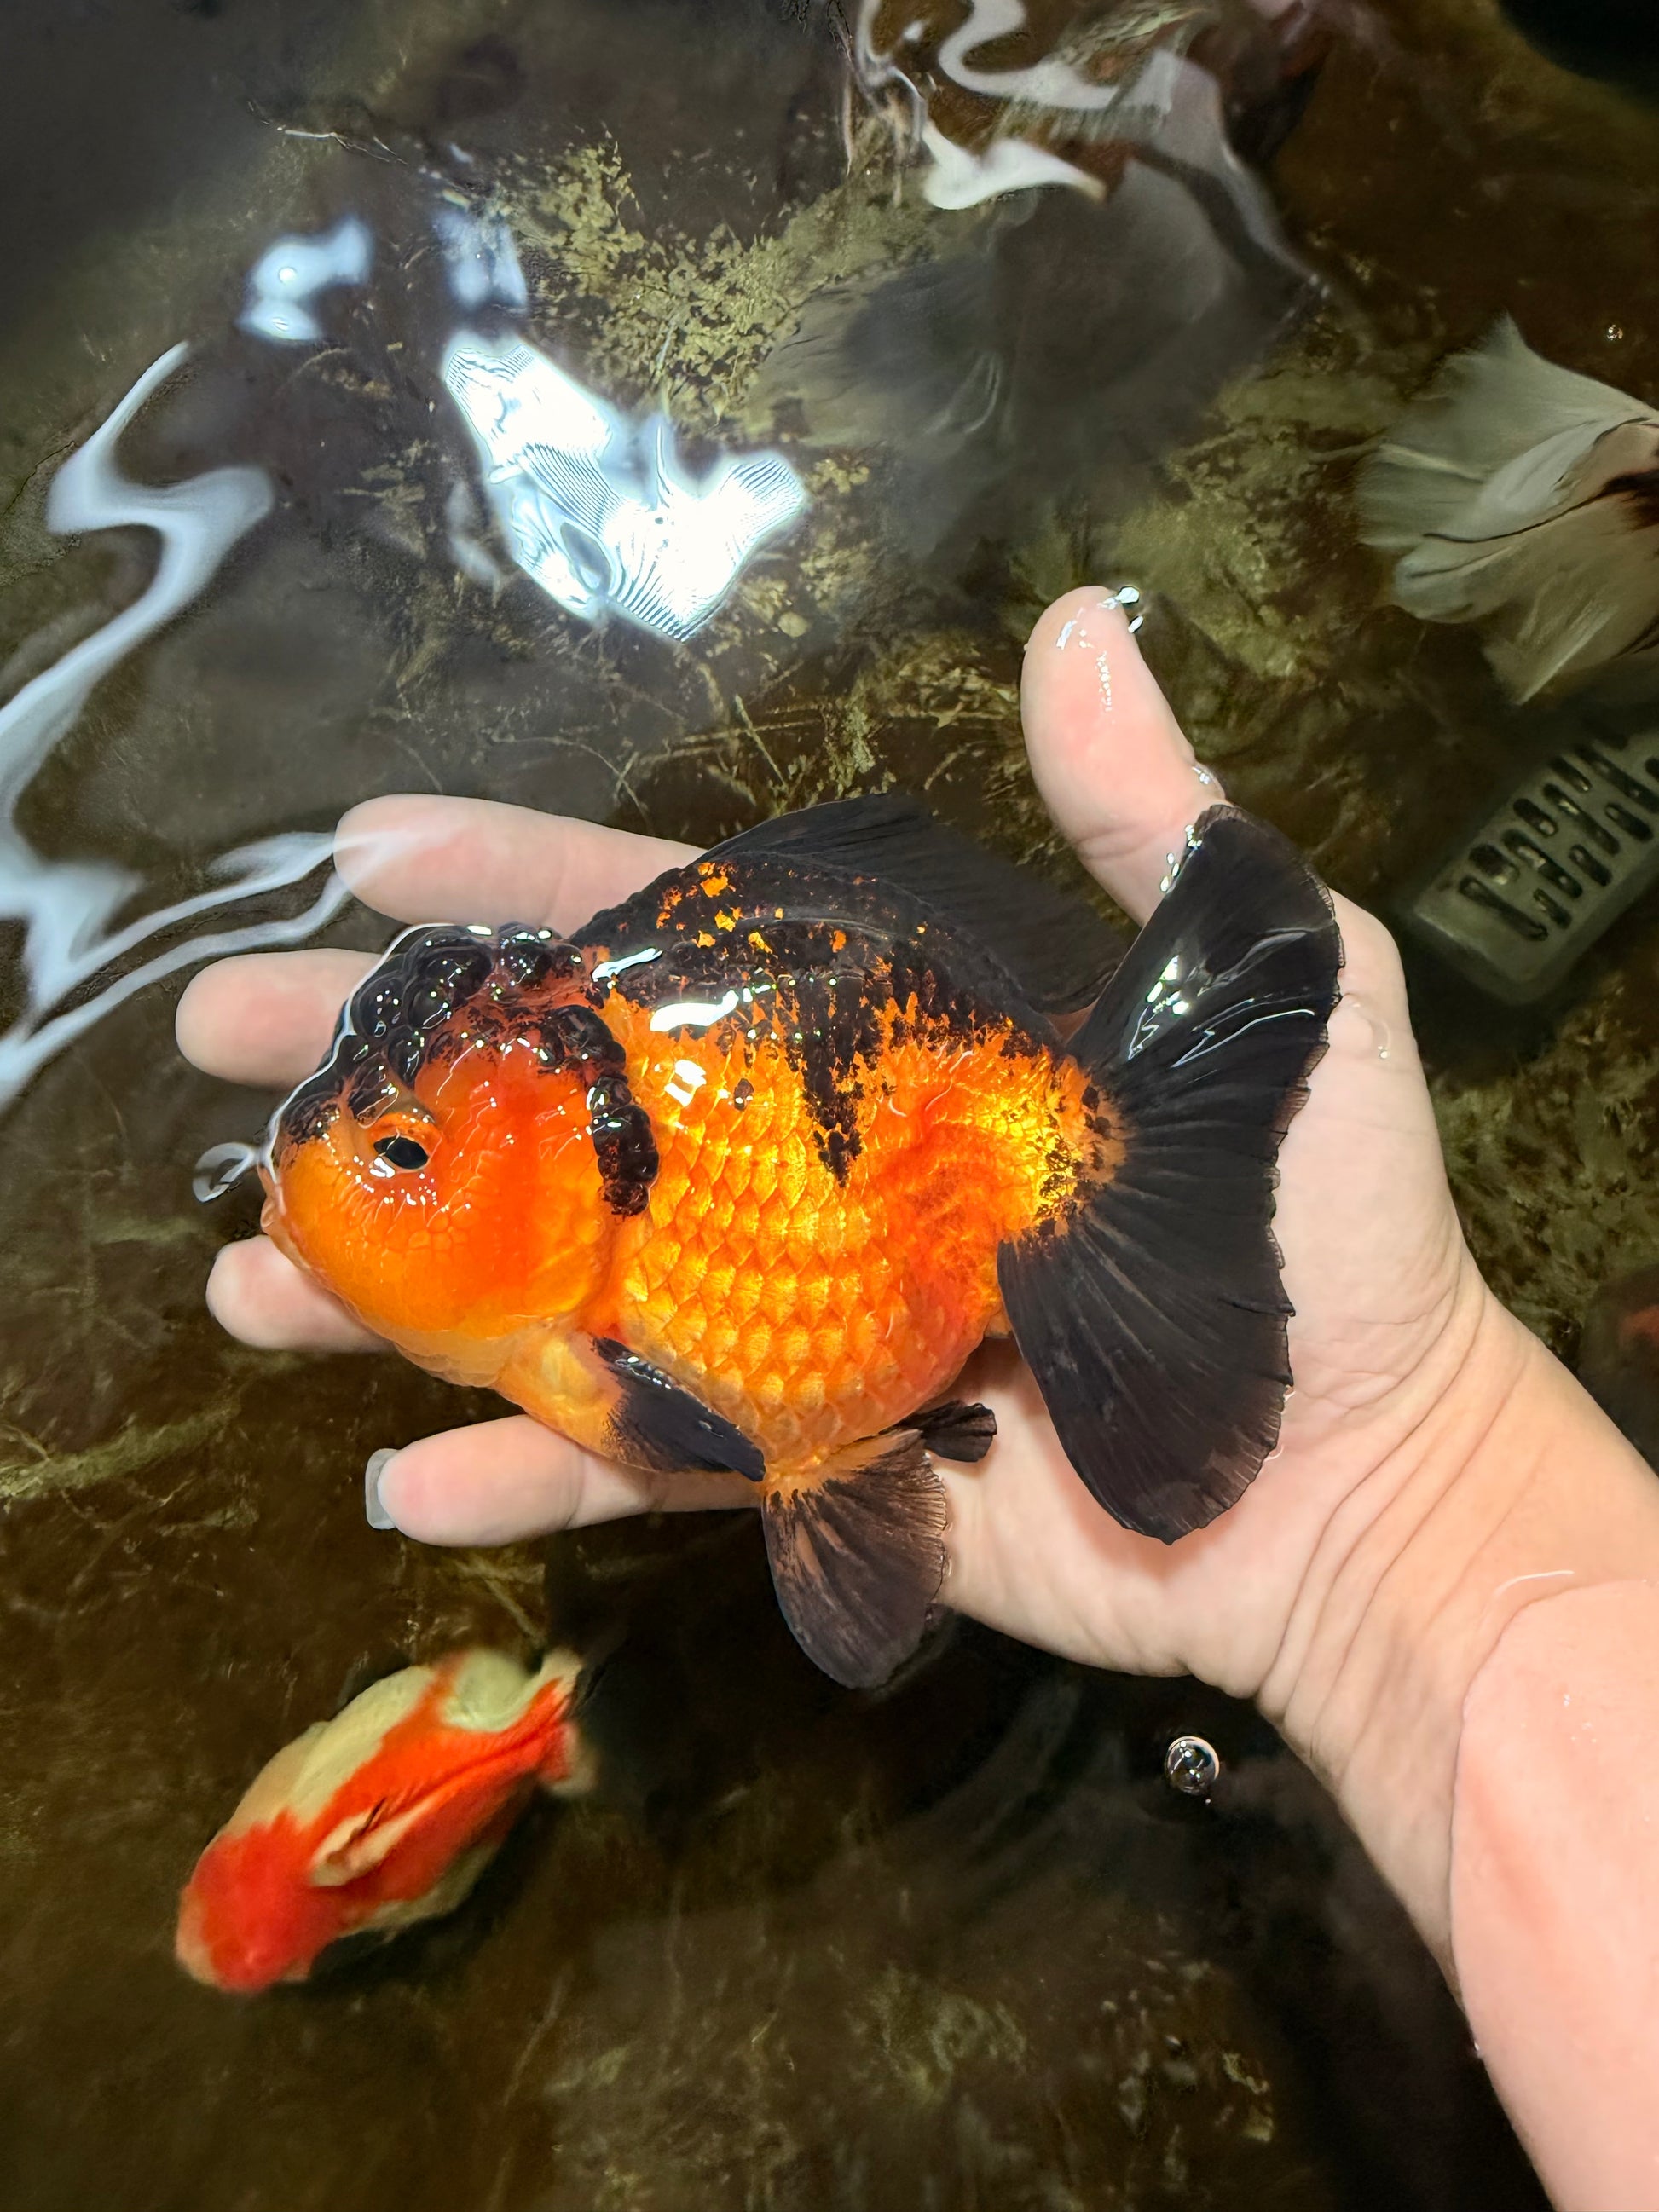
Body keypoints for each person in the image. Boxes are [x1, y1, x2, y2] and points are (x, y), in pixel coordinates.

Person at [177, 587, 1659, 2210]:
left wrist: (1405, 1480)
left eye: (401, 1157)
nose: (344, 1183)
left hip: (942, 1143)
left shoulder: (609, 1321)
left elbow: (693, 1428)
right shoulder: (568, 1262)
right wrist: (1423, 1526)